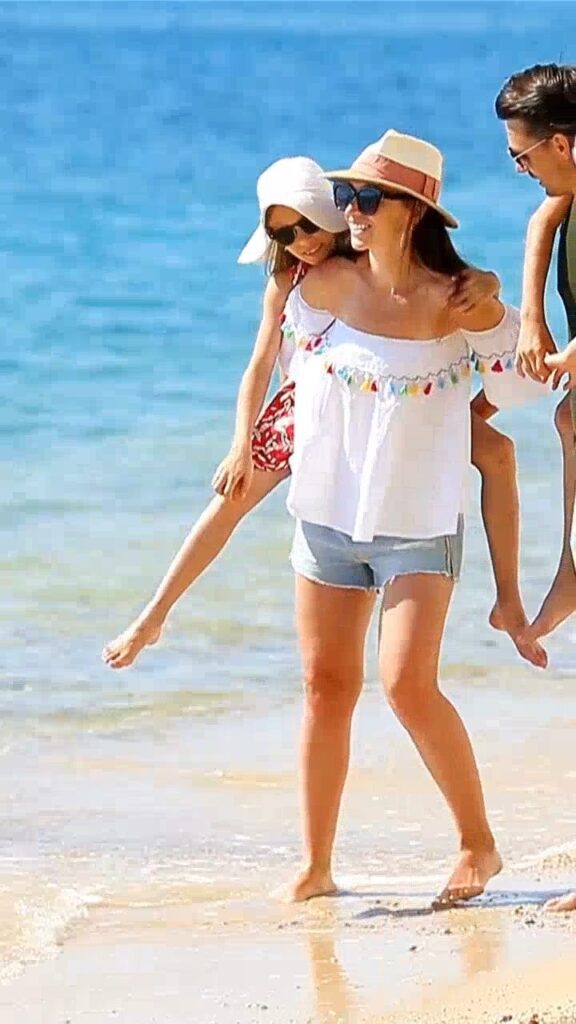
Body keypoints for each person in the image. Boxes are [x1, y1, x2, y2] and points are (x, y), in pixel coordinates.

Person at [103, 157, 543, 671]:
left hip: (399, 396)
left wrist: (489, 281)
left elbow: (441, 280)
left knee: (497, 452)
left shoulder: (368, 248)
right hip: (310, 403)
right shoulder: (289, 278)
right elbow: (260, 363)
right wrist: (240, 443)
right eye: (284, 234)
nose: (301, 242)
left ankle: (509, 601)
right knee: (229, 500)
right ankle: (153, 617)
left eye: (308, 225)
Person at [279, 128, 545, 907]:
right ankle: (316, 866)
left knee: (406, 685)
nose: (353, 211)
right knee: (325, 687)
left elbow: (527, 379)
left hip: (420, 523)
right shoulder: (324, 286)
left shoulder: (456, 301)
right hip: (327, 517)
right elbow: (284, 372)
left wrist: (493, 304)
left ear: (415, 210)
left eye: (370, 198)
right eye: (348, 197)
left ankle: (478, 845)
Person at [495, 62, 576, 915]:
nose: (521, 169)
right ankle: (567, 573)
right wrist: (532, 314)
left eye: (522, 156)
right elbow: (543, 216)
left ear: (562, 143)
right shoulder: (563, 204)